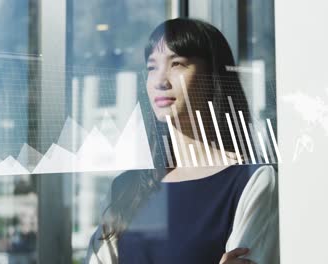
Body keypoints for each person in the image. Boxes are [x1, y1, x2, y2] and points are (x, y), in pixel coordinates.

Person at [85, 18, 279, 264]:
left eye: (177, 64)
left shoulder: (252, 182)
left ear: (212, 75)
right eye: (152, 67)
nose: (160, 81)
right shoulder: (128, 187)